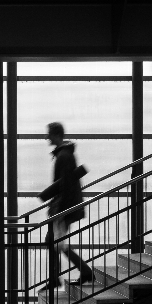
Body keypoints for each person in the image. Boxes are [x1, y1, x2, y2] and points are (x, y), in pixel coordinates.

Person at [39, 122, 94, 288]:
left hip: (63, 207)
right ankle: (58, 278)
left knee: (57, 243)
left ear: (56, 134)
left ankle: (83, 272)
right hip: (64, 206)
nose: (47, 137)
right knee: (54, 242)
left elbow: (65, 186)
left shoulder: (63, 156)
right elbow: (68, 184)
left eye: (49, 134)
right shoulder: (65, 154)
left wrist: (59, 209)